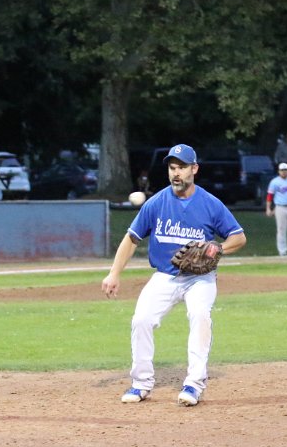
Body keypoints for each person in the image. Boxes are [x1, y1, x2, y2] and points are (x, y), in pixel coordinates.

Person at [101, 144, 246, 407]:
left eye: (181, 167)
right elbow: (132, 238)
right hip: (165, 276)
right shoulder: (156, 203)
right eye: (172, 167)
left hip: (200, 278)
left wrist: (218, 248)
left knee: (200, 316)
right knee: (141, 320)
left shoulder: (210, 204)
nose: (176, 173)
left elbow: (239, 237)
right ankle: (141, 384)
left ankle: (194, 384)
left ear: (194, 169)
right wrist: (114, 273)